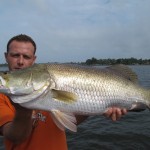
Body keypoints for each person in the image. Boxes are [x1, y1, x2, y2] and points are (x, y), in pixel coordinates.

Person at [0, 34, 127, 150]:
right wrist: (23, 109)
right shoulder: (2, 96)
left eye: (26, 57)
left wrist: (97, 108)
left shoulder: (43, 87)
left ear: (33, 59)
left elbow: (72, 120)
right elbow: (15, 137)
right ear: (6, 57)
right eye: (15, 55)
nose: (20, 61)